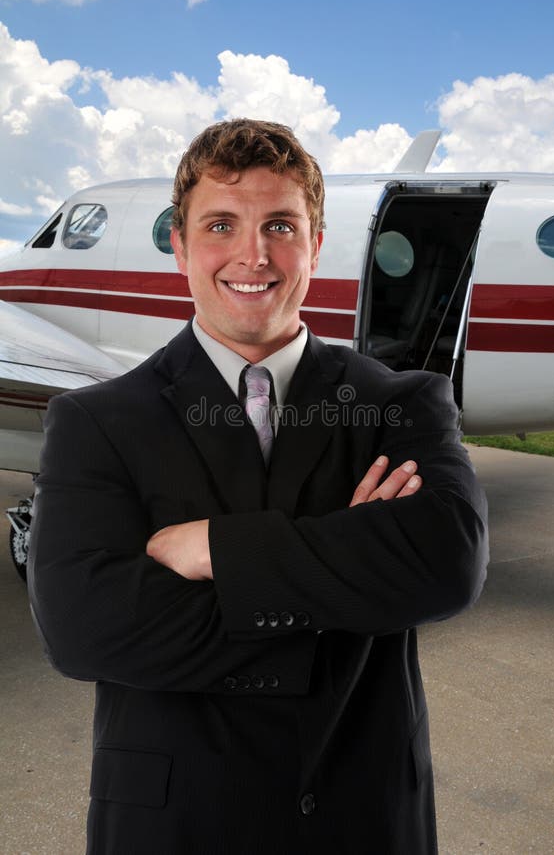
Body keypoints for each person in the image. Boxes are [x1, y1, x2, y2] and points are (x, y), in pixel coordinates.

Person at [28, 118, 488, 855]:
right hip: (172, 828)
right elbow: (83, 632)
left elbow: (448, 565)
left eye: (281, 224)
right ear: (179, 246)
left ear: (314, 243)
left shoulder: (404, 401)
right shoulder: (95, 420)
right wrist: (348, 571)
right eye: (221, 225)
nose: (254, 254)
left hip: (362, 819)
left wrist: (217, 549)